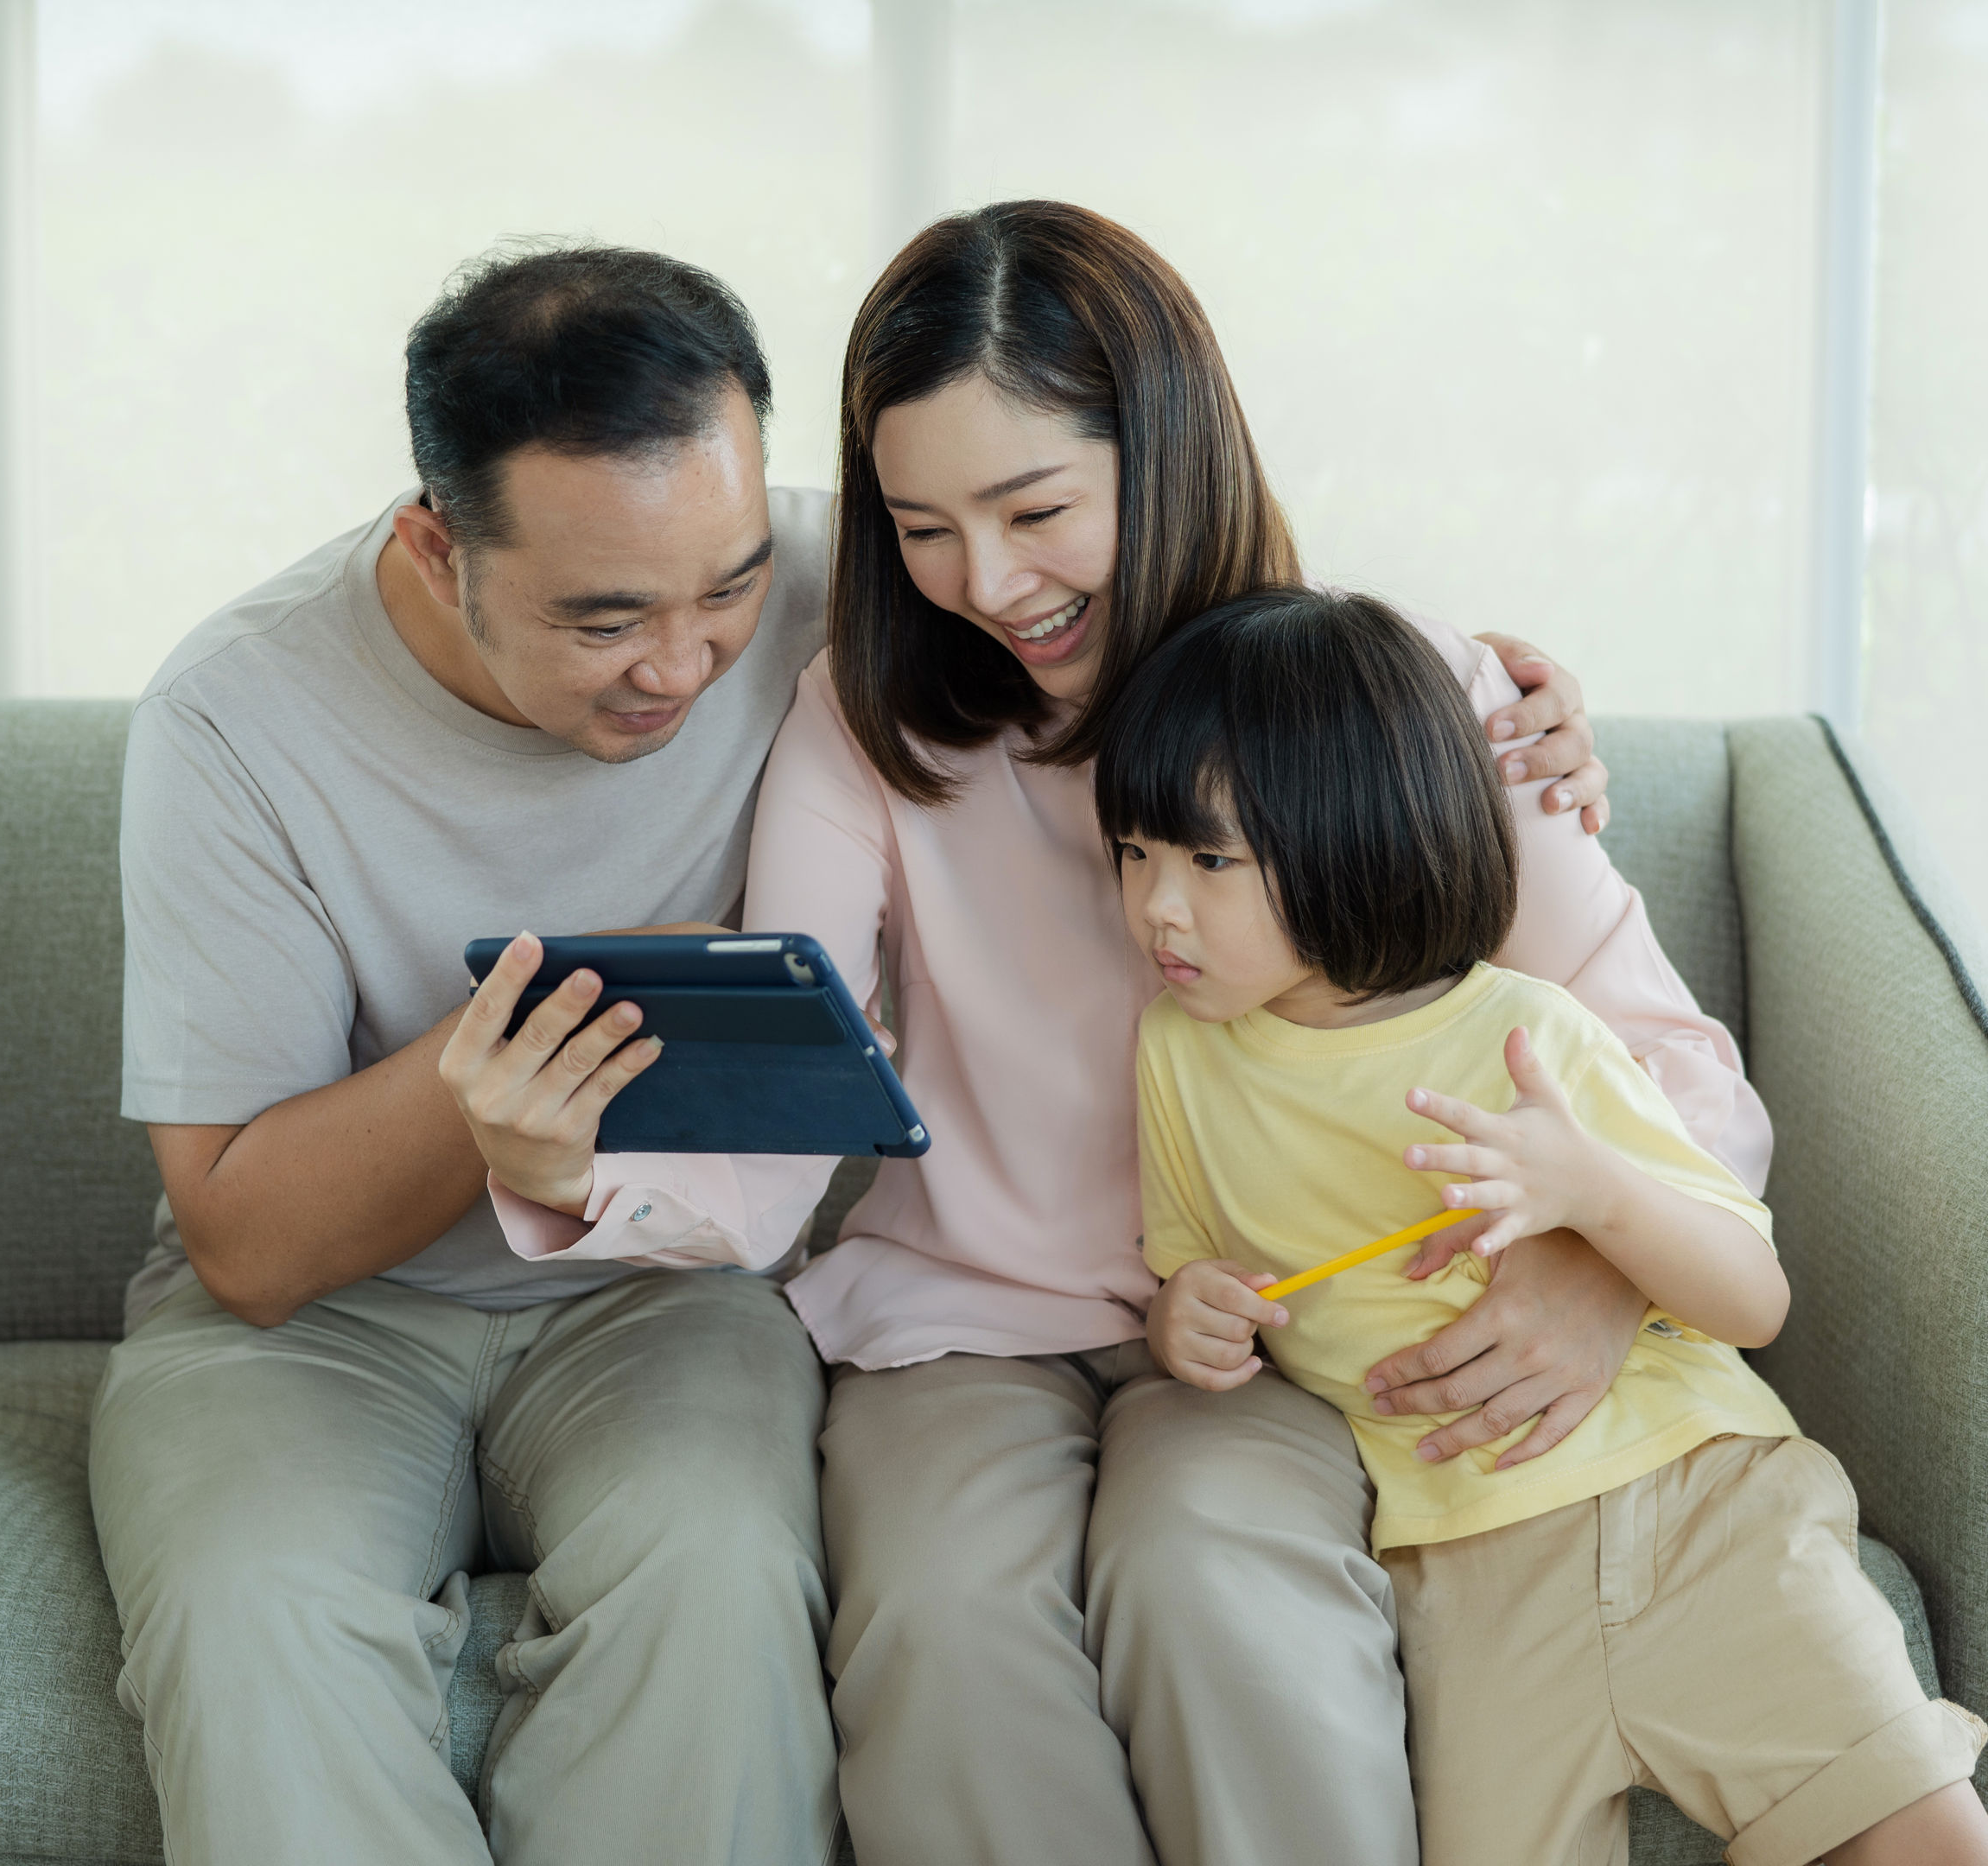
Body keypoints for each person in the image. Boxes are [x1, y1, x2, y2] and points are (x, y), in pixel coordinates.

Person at [463, 200, 1756, 1865]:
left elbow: (1681, 1079)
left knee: (1218, 1582)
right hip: (966, 1323)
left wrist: (1604, 1259)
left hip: (1286, 1326)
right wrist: (578, 1175)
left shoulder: (1402, 695)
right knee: (936, 1613)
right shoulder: (866, 714)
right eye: (922, 525)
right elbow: (791, 1109)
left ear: (1172, 451)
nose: (986, 582)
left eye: (1037, 507)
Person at [86, 245, 844, 1865]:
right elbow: (248, 1245)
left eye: (723, 586)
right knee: (253, 1612)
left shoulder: (837, 587)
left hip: (663, 1297)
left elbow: (1175, 602)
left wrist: (1497, 701)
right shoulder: (233, 718)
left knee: (718, 1579)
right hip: (320, 1330)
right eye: (602, 618)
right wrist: (488, 1076)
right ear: (440, 549)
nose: (684, 665)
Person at [1113, 586, 1988, 1866]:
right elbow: (1189, 1255)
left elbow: (1755, 1299)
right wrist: (1181, 1313)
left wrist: (1595, 1195)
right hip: (1463, 1590)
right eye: (1133, 854)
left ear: (1349, 839)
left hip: (1700, 1507)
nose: (1157, 907)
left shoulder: (1530, 1035)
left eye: (1207, 862)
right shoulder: (1176, 1057)